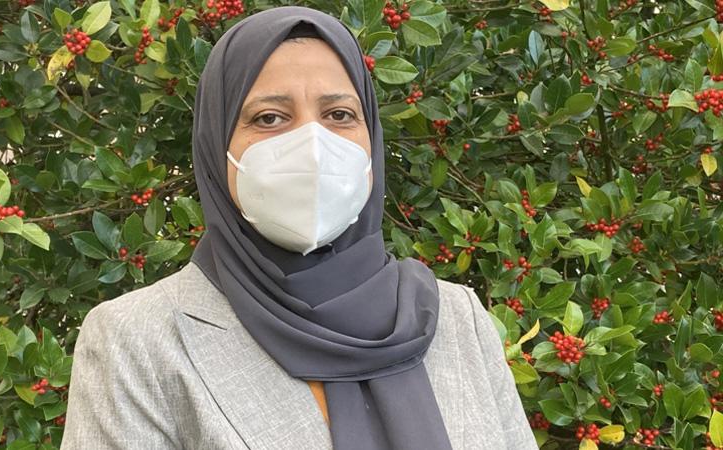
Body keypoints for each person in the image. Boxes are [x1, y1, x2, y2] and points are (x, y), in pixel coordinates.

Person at [61, 6, 538, 450]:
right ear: (216, 144)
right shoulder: (136, 340)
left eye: (339, 115)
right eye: (269, 118)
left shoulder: (457, 317)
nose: (312, 146)